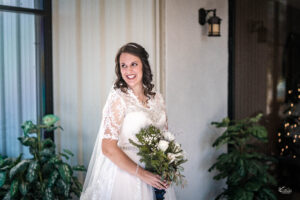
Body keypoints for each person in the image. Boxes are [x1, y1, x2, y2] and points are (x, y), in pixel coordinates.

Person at [80, 43, 177, 200]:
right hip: (125, 177)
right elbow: (107, 148)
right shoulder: (118, 99)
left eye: (134, 64)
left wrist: (169, 165)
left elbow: (165, 138)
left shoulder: (157, 98)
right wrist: (142, 173)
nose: (128, 70)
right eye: (123, 66)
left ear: (143, 66)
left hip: (156, 174)